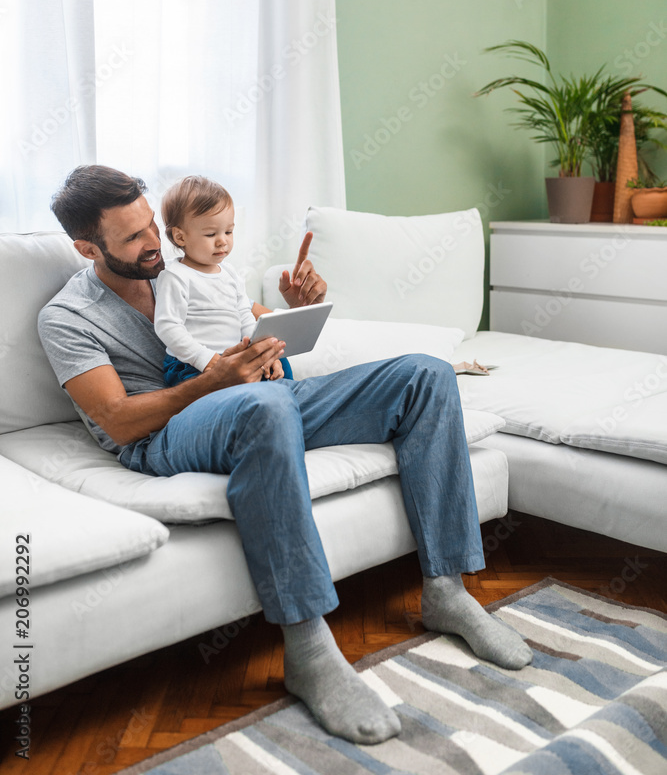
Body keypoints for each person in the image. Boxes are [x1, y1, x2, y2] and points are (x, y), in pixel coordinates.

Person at [38, 165, 532, 747]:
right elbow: (118, 422)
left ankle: (447, 591)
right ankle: (307, 647)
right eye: (133, 238)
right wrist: (211, 382)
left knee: (423, 375)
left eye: (152, 226)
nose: (153, 244)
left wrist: (291, 311)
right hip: (164, 433)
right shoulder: (66, 317)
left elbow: (248, 326)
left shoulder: (186, 267)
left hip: (255, 396)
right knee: (265, 407)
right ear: (85, 247)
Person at [154, 175, 292, 386]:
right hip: (191, 364)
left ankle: (288, 396)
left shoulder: (229, 273)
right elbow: (168, 327)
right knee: (226, 391)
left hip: (233, 355)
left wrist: (260, 352)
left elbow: (245, 316)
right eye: (211, 234)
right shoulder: (175, 275)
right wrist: (208, 360)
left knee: (280, 359)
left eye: (229, 231)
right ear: (180, 237)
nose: (223, 241)